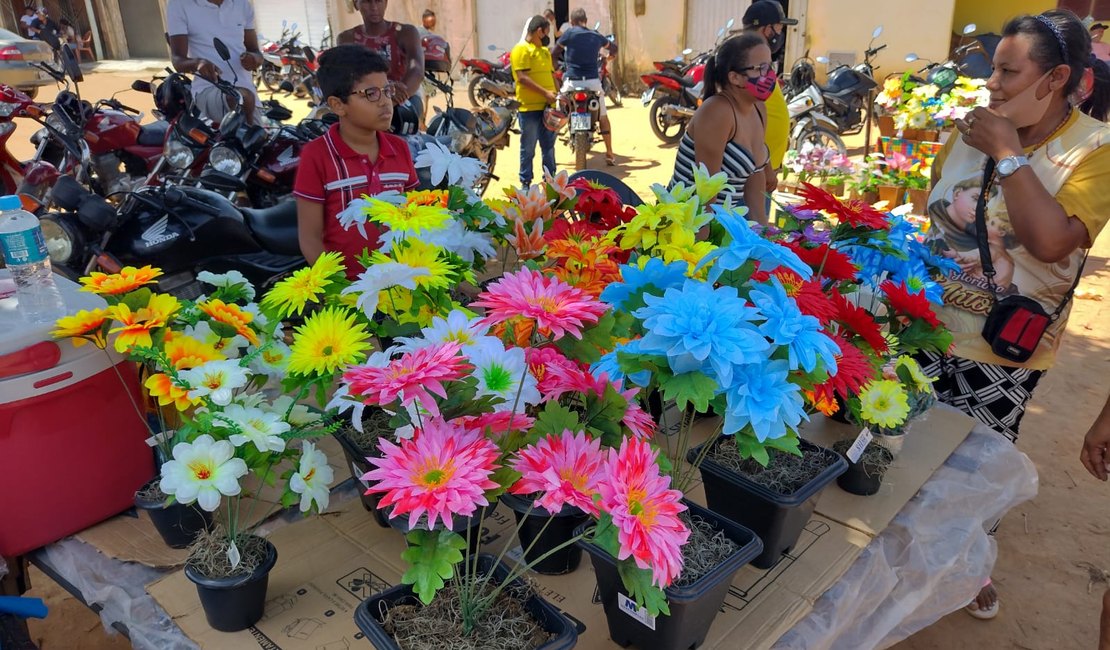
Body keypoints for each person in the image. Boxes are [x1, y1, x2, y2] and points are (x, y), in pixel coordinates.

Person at [921, 9, 1110, 620]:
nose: (992, 84)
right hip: (924, 327)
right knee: (907, 450)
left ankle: (971, 566)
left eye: (1008, 71)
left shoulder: (1095, 151)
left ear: (1055, 78)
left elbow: (1053, 242)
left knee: (978, 466)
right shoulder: (968, 131)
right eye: (992, 69)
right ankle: (908, 563)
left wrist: (1007, 152)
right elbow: (935, 211)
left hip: (1004, 346)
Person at [293, 45, 418, 279]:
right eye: (371, 94)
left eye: (387, 91)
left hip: (403, 283)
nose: (385, 103)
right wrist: (337, 288)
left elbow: (414, 217)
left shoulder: (400, 149)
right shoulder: (317, 155)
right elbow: (309, 237)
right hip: (347, 292)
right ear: (338, 105)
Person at [668, 32, 772, 221]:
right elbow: (705, 196)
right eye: (761, 69)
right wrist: (702, 250)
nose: (770, 75)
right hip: (686, 224)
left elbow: (755, 181)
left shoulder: (758, 109)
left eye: (770, 66)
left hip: (725, 224)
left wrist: (763, 237)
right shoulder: (717, 112)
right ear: (735, 77)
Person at [166, 0, 264, 125]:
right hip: (208, 90)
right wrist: (198, 63)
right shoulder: (180, 4)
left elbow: (256, 52)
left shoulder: (242, 4)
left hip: (248, 93)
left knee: (270, 139)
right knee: (240, 99)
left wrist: (254, 59)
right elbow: (177, 60)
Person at [741, 0, 796, 202]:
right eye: (779, 28)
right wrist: (765, 166)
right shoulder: (752, 63)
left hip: (758, 165)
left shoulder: (754, 59)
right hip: (754, 168)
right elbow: (748, 120)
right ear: (767, 29)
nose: (780, 35)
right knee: (753, 228)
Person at [337, 0, 425, 119]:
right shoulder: (347, 38)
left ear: (386, 3)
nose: (374, 7)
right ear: (356, 4)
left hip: (403, 98)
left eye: (379, 1)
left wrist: (393, 97)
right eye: (366, 2)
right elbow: (346, 76)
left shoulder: (405, 32)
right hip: (366, 99)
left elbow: (417, 70)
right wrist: (380, 96)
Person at [553, 9, 618, 165]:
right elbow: (613, 48)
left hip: (571, 82)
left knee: (557, 112)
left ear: (572, 21)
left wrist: (557, 69)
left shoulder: (568, 34)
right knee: (603, 116)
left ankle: (551, 152)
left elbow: (554, 53)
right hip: (592, 82)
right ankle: (609, 152)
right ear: (586, 20)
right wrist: (607, 58)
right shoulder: (595, 35)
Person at [511, 15, 558, 188]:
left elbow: (552, 76)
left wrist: (559, 96)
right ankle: (525, 183)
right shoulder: (520, 49)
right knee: (528, 149)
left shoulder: (545, 52)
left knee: (549, 148)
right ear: (540, 31)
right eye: (547, 31)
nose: (548, 36)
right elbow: (522, 78)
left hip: (549, 109)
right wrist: (546, 93)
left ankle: (551, 182)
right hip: (529, 110)